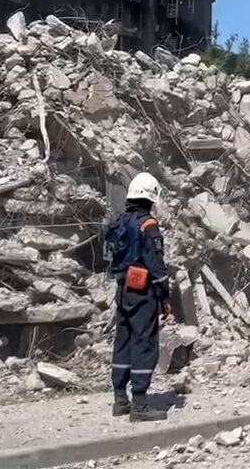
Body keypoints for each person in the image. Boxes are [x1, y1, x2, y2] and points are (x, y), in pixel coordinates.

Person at [104, 172, 170, 422]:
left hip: (123, 289)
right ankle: (140, 406)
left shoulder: (119, 221)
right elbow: (156, 264)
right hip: (143, 291)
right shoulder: (147, 225)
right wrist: (164, 295)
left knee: (123, 340)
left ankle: (120, 400)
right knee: (144, 342)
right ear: (151, 197)